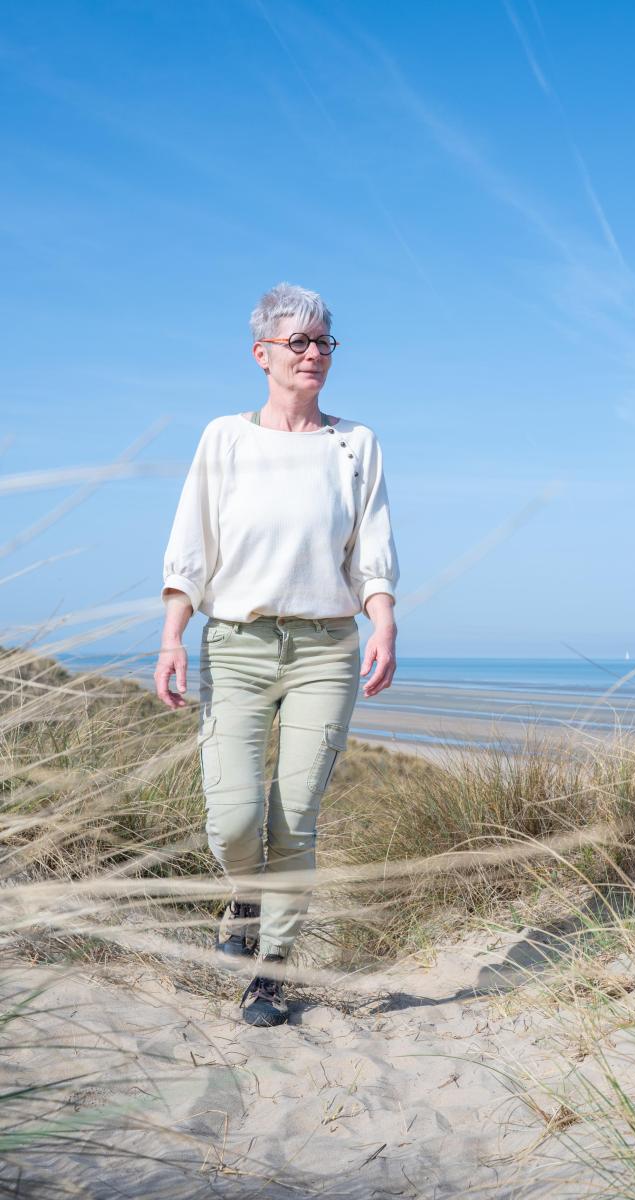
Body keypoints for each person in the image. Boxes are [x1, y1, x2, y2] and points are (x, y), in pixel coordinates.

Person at [154, 282, 399, 1028]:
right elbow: (191, 548)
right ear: (261, 354)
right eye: (299, 341)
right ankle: (243, 898)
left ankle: (270, 971)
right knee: (231, 820)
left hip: (328, 648)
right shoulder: (224, 438)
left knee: (296, 817)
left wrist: (384, 622)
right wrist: (172, 635)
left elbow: (373, 551)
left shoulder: (356, 444)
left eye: (325, 341)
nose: (315, 353)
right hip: (236, 643)